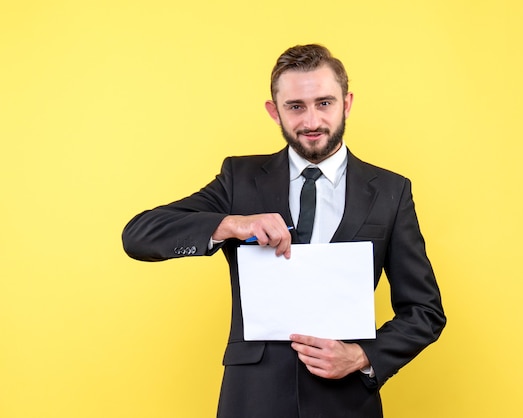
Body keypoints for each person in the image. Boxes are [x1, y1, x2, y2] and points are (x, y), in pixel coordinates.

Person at [122, 44, 446, 418]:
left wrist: (362, 356)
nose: (311, 121)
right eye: (295, 106)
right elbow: (139, 235)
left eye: (324, 103)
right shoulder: (238, 180)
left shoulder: (390, 191)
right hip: (253, 397)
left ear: (348, 103)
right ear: (274, 111)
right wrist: (231, 223)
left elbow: (424, 309)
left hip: (346, 400)